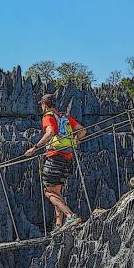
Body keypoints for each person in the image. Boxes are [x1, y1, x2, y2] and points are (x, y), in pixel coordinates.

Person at [25, 93, 87, 234]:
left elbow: (50, 132)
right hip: (67, 158)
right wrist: (75, 140)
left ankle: (70, 216)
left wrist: (34, 149)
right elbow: (83, 130)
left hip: (54, 158)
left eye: (41, 105)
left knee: (48, 192)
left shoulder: (48, 117)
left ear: (45, 105)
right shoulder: (64, 117)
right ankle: (59, 225)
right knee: (56, 193)